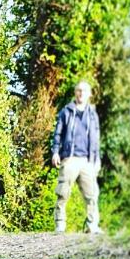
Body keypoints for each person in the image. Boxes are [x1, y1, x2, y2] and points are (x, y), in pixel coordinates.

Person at [51, 80, 101, 234]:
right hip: (70, 159)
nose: (81, 93)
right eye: (78, 90)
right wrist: (55, 152)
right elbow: (57, 134)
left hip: (87, 161)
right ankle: (60, 224)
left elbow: (96, 138)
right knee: (63, 192)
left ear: (89, 94)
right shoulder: (66, 111)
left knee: (92, 194)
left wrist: (96, 159)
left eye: (84, 91)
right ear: (75, 93)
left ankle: (92, 225)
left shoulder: (92, 114)